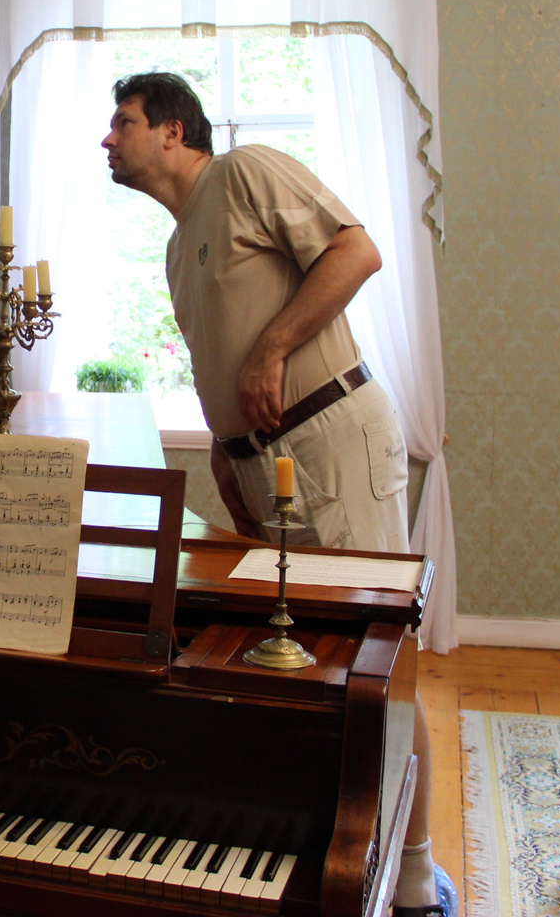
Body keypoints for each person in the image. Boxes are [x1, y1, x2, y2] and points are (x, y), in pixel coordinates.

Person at [99, 71, 454, 917]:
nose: (108, 140)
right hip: (260, 459)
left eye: (124, 122)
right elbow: (215, 355)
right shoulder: (178, 246)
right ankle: (329, 849)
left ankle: (412, 875)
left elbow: (356, 251)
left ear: (174, 131)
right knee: (304, 657)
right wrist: (227, 452)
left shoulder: (245, 170)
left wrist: (273, 350)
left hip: (328, 435)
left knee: (375, 657)